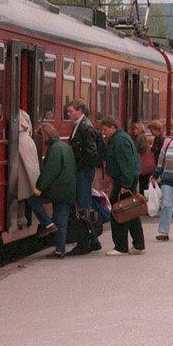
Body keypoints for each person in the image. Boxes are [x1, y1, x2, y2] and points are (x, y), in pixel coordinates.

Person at [28, 123, 77, 258]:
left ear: (45, 136)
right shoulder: (66, 146)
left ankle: (48, 224)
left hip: (58, 189)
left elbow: (50, 171)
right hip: (69, 189)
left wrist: (39, 188)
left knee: (33, 200)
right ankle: (60, 250)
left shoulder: (54, 148)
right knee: (62, 220)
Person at [103, 117, 145, 256]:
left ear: (112, 127)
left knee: (118, 212)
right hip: (124, 180)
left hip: (124, 181)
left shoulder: (119, 140)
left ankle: (121, 246)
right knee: (131, 212)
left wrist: (125, 185)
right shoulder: (121, 138)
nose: (104, 133)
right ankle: (138, 245)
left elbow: (126, 163)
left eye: (105, 129)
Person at [65, 100, 103, 255]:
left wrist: (78, 167)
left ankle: (85, 242)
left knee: (83, 206)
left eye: (70, 111)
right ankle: (93, 240)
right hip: (83, 171)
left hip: (83, 172)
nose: (68, 114)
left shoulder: (85, 127)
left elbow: (91, 152)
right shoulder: (80, 125)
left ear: (79, 111)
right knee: (84, 205)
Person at [17, 109, 41, 228]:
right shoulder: (24, 114)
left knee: (21, 187)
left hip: (19, 150)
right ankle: (23, 217)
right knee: (28, 185)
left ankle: (21, 217)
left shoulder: (15, 115)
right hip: (28, 146)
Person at [128, 121, 154, 193]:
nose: (132, 131)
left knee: (143, 186)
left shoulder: (140, 138)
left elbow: (138, 149)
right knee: (143, 185)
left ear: (138, 129)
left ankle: (143, 201)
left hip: (143, 165)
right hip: (143, 165)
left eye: (134, 129)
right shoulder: (139, 137)